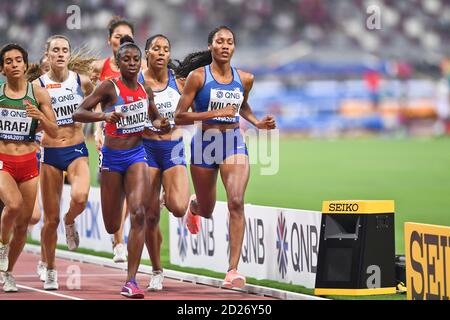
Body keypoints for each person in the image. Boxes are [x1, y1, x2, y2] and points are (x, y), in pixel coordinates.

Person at [174, 26, 276, 289]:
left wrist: (256, 123)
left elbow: (242, 106)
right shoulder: (198, 77)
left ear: (234, 47)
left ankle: (232, 270)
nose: (225, 45)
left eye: (230, 42)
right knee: (207, 210)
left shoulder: (245, 79)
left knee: (236, 201)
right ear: (211, 46)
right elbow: (179, 116)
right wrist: (210, 114)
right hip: (204, 145)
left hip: (232, 143)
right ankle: (194, 207)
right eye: (220, 41)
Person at [73, 36, 168, 298]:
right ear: (118, 62)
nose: (132, 63)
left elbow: (153, 115)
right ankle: (117, 241)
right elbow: (79, 113)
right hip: (113, 159)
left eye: (136, 59)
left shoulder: (144, 89)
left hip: (137, 155)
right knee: (111, 223)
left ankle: (131, 280)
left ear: (141, 61)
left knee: (138, 213)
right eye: (126, 59)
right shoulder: (108, 87)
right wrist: (104, 115)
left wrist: (161, 123)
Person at [31, 35, 94, 290]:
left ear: (69, 55)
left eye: (64, 50)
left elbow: (95, 101)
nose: (60, 54)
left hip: (77, 148)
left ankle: (71, 220)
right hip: (50, 153)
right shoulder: (37, 85)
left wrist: (94, 125)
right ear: (47, 55)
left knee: (80, 198)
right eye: (55, 50)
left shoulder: (82, 81)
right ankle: (50, 269)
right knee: (50, 219)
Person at [0, 43, 58, 292]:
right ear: (2, 68)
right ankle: (2, 245)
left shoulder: (38, 93)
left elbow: (55, 130)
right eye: (8, 61)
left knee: (24, 224)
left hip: (29, 162)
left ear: (25, 64)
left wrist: (40, 118)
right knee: (13, 205)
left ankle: (9, 273)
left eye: (18, 60)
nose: (14, 65)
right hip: (3, 159)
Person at [91, 17, 146, 263]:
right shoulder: (100, 68)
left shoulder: (139, 69)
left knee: (134, 194)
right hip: (109, 137)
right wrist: (97, 130)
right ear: (110, 40)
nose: (122, 40)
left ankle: (120, 241)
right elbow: (92, 102)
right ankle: (116, 234)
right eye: (117, 36)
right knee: (114, 197)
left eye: (127, 36)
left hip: (137, 142)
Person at [139, 34, 190, 291]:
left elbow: (189, 113)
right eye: (156, 48)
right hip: (146, 148)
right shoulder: (136, 82)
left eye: (166, 49)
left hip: (173, 147)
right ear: (146, 53)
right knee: (150, 217)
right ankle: (157, 271)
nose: (161, 52)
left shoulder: (179, 82)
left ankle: (170, 196)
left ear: (170, 54)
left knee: (179, 208)